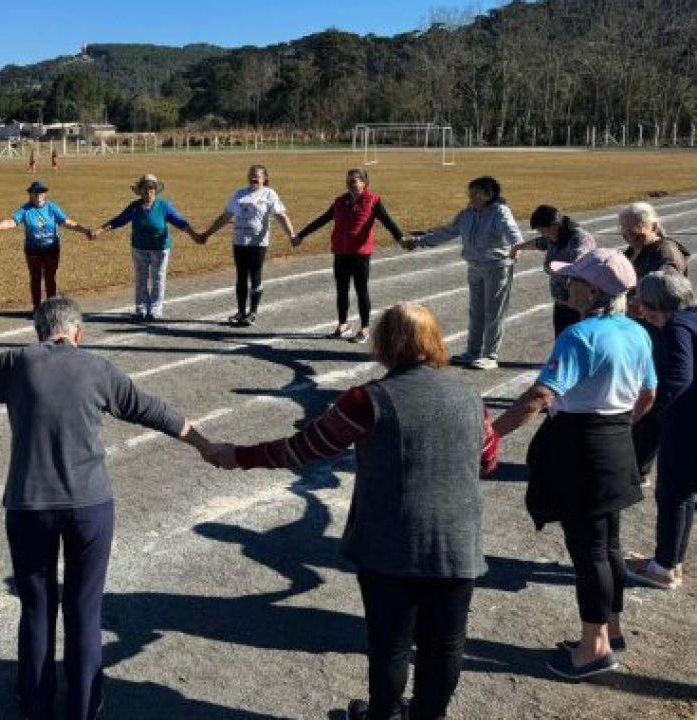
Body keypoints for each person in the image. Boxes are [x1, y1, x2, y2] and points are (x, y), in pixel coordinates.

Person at [0, 296, 214, 720]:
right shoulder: (97, 369)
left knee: (36, 607)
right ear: (78, 334)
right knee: (84, 609)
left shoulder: (16, 364)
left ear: (39, 332)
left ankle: (34, 703)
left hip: (28, 506)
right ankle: (83, 705)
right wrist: (204, 444)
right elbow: (153, 411)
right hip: (89, 506)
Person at [207, 303, 499, 720]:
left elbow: (302, 449)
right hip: (457, 542)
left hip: (390, 543)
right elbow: (488, 460)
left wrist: (239, 455)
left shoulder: (367, 400)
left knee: (390, 644)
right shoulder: (471, 397)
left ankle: (382, 715)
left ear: (386, 343)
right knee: (446, 644)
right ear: (434, 341)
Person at [491, 249, 655, 680]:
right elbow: (648, 394)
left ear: (593, 290)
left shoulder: (579, 336)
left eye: (575, 280)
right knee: (609, 545)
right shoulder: (636, 332)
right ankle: (610, 631)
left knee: (589, 552)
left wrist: (491, 434)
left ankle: (594, 648)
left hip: (582, 450)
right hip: (617, 442)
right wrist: (619, 423)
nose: (569, 285)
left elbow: (539, 396)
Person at [402, 176, 523, 369]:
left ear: (488, 194)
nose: (470, 196)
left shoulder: (500, 212)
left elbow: (514, 235)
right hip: (474, 267)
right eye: (470, 192)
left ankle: (490, 356)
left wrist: (516, 248)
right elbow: (448, 232)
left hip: (496, 267)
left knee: (493, 312)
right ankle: (472, 352)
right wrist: (418, 242)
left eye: (475, 193)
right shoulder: (467, 214)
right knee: (476, 312)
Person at [625, 270, 697, 590]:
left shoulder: (675, 329)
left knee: (671, 495)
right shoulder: (691, 318)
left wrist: (656, 415)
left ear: (654, 306)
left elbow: (678, 379)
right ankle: (671, 561)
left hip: (686, 425)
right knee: (684, 494)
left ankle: (664, 568)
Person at [292, 168, 404, 342]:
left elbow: (389, 222)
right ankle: (343, 324)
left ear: (364, 183)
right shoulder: (340, 202)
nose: (350, 184)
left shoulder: (373, 201)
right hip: (341, 254)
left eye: (354, 181)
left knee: (361, 291)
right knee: (342, 291)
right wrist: (301, 235)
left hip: (360, 255)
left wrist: (401, 238)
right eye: (348, 181)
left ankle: (365, 328)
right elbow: (322, 220)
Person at [620, 201, 688, 483]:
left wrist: (637, 304)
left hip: (657, 332)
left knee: (651, 399)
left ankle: (639, 468)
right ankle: (633, 462)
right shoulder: (637, 248)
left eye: (636, 229)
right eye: (625, 230)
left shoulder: (665, 253)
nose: (629, 235)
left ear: (652, 225)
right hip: (641, 329)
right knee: (638, 395)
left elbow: (668, 295)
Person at [91, 174, 201, 322]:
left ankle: (155, 309)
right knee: (141, 278)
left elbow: (180, 222)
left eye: (151, 189)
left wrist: (193, 234)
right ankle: (141, 308)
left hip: (160, 249)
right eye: (145, 189)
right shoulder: (135, 207)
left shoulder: (164, 206)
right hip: (139, 248)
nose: (148, 193)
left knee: (158, 278)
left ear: (155, 191)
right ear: (140, 191)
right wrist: (100, 230)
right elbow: (119, 220)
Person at [198, 164, 296, 328]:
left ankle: (253, 312)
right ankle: (241, 311)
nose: (254, 177)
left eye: (258, 175)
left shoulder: (269, 194)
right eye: (251, 174)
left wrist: (291, 235)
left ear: (265, 178)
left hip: (258, 243)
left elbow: (280, 215)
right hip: (239, 242)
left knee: (255, 274)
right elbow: (225, 217)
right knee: (241, 276)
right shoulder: (239, 194)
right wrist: (207, 233)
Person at [0, 181, 92, 313]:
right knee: (35, 278)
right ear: (30, 195)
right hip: (33, 250)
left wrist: (84, 230)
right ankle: (37, 307)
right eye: (35, 193)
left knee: (50, 277)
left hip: (51, 249)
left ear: (45, 194)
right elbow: (11, 222)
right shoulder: (25, 210)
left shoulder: (52, 208)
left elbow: (66, 222)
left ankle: (51, 307)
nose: (38, 195)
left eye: (41, 192)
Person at [508, 205, 596, 336]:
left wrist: (552, 267)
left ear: (554, 226)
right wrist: (518, 247)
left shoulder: (579, 239)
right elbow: (539, 242)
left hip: (579, 305)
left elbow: (577, 266)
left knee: (580, 344)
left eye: (542, 230)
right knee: (562, 344)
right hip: (561, 304)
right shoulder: (553, 236)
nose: (542, 234)